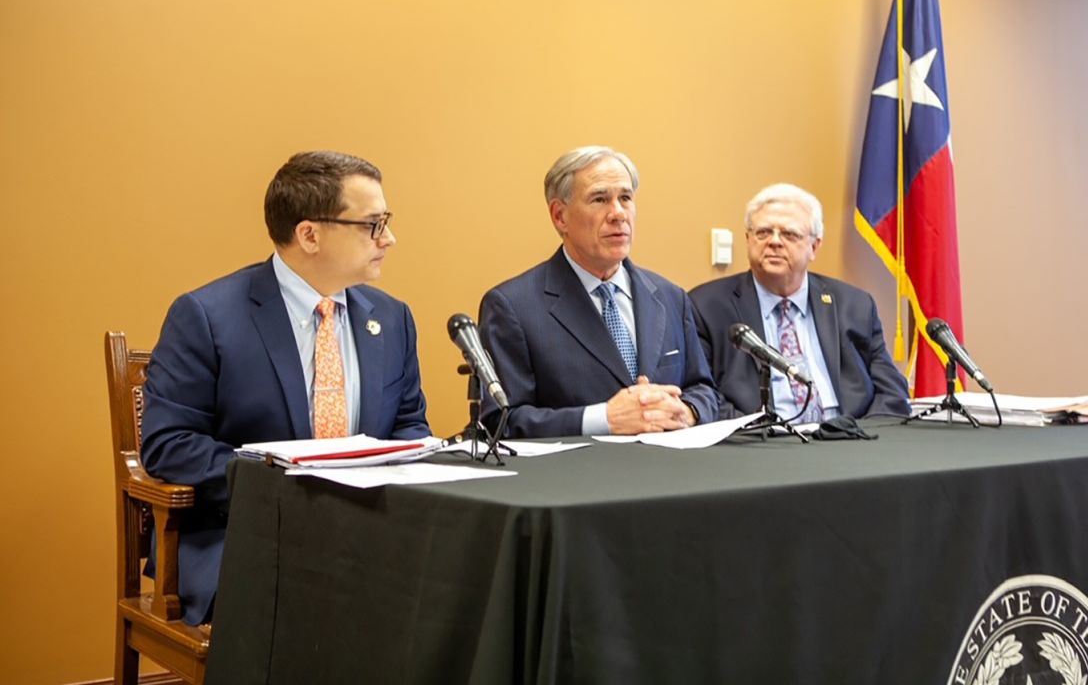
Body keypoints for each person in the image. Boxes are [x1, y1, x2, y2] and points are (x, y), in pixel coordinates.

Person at [141, 151, 432, 625]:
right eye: (373, 225)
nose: (390, 239)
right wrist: (286, 483)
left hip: (368, 535)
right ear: (309, 234)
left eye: (387, 222)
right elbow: (169, 445)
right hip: (242, 534)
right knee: (331, 607)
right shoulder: (207, 317)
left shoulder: (391, 318)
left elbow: (408, 426)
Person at [478, 145, 717, 437]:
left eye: (625, 198)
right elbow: (502, 421)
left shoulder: (670, 297)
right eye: (600, 199)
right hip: (576, 478)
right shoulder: (512, 306)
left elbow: (703, 389)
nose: (618, 213)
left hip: (672, 474)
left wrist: (688, 413)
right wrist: (603, 419)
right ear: (559, 216)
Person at [690, 183, 909, 421]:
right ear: (748, 239)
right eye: (763, 232)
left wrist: (863, 440)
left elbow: (891, 393)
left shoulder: (854, 304)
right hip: (763, 445)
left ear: (814, 247)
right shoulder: (707, 307)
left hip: (847, 438)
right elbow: (704, 395)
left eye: (789, 234)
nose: (774, 242)